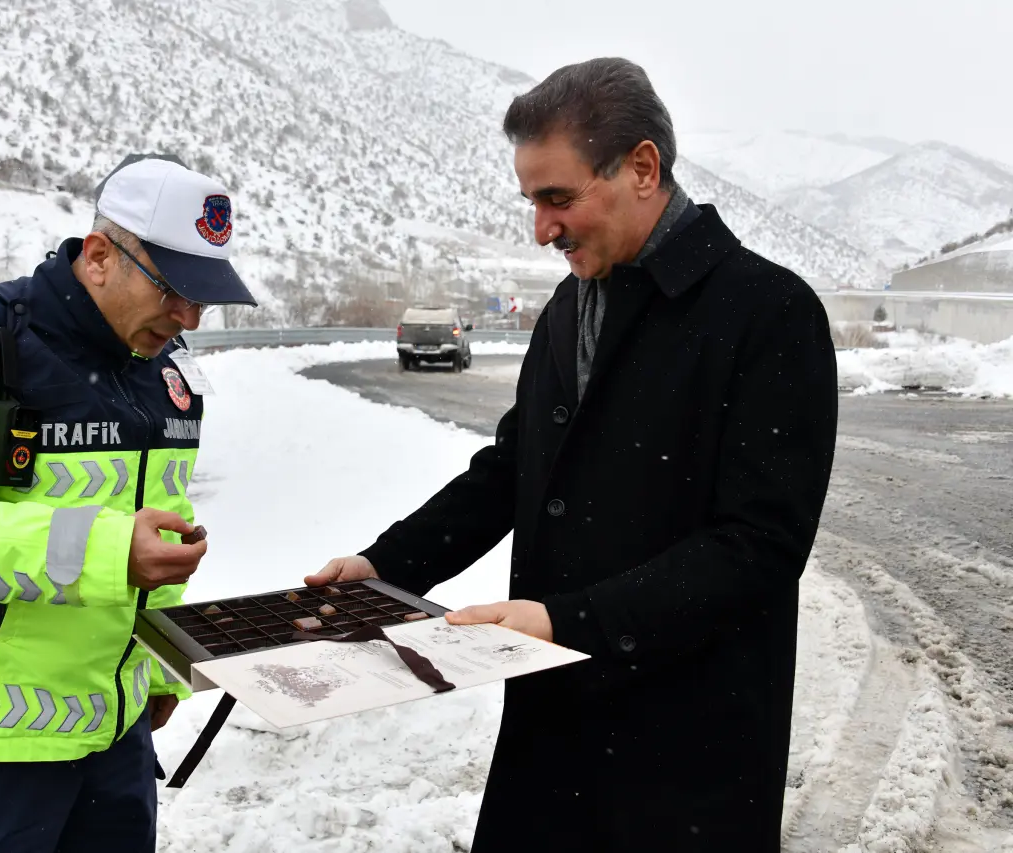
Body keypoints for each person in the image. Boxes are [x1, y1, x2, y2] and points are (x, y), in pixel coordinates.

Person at [307, 57, 838, 852]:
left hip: (685, 755)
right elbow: (514, 470)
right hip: (554, 731)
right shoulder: (568, 307)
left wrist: (569, 622)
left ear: (643, 168)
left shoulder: (769, 312)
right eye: (531, 201)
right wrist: (385, 567)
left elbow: (759, 547)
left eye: (558, 198)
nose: (541, 228)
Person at [0, 156, 257, 853]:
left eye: (204, 299)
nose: (189, 316)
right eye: (175, 290)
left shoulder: (166, 373)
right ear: (101, 257)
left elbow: (159, 531)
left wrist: (160, 668)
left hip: (117, 743)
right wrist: (106, 550)